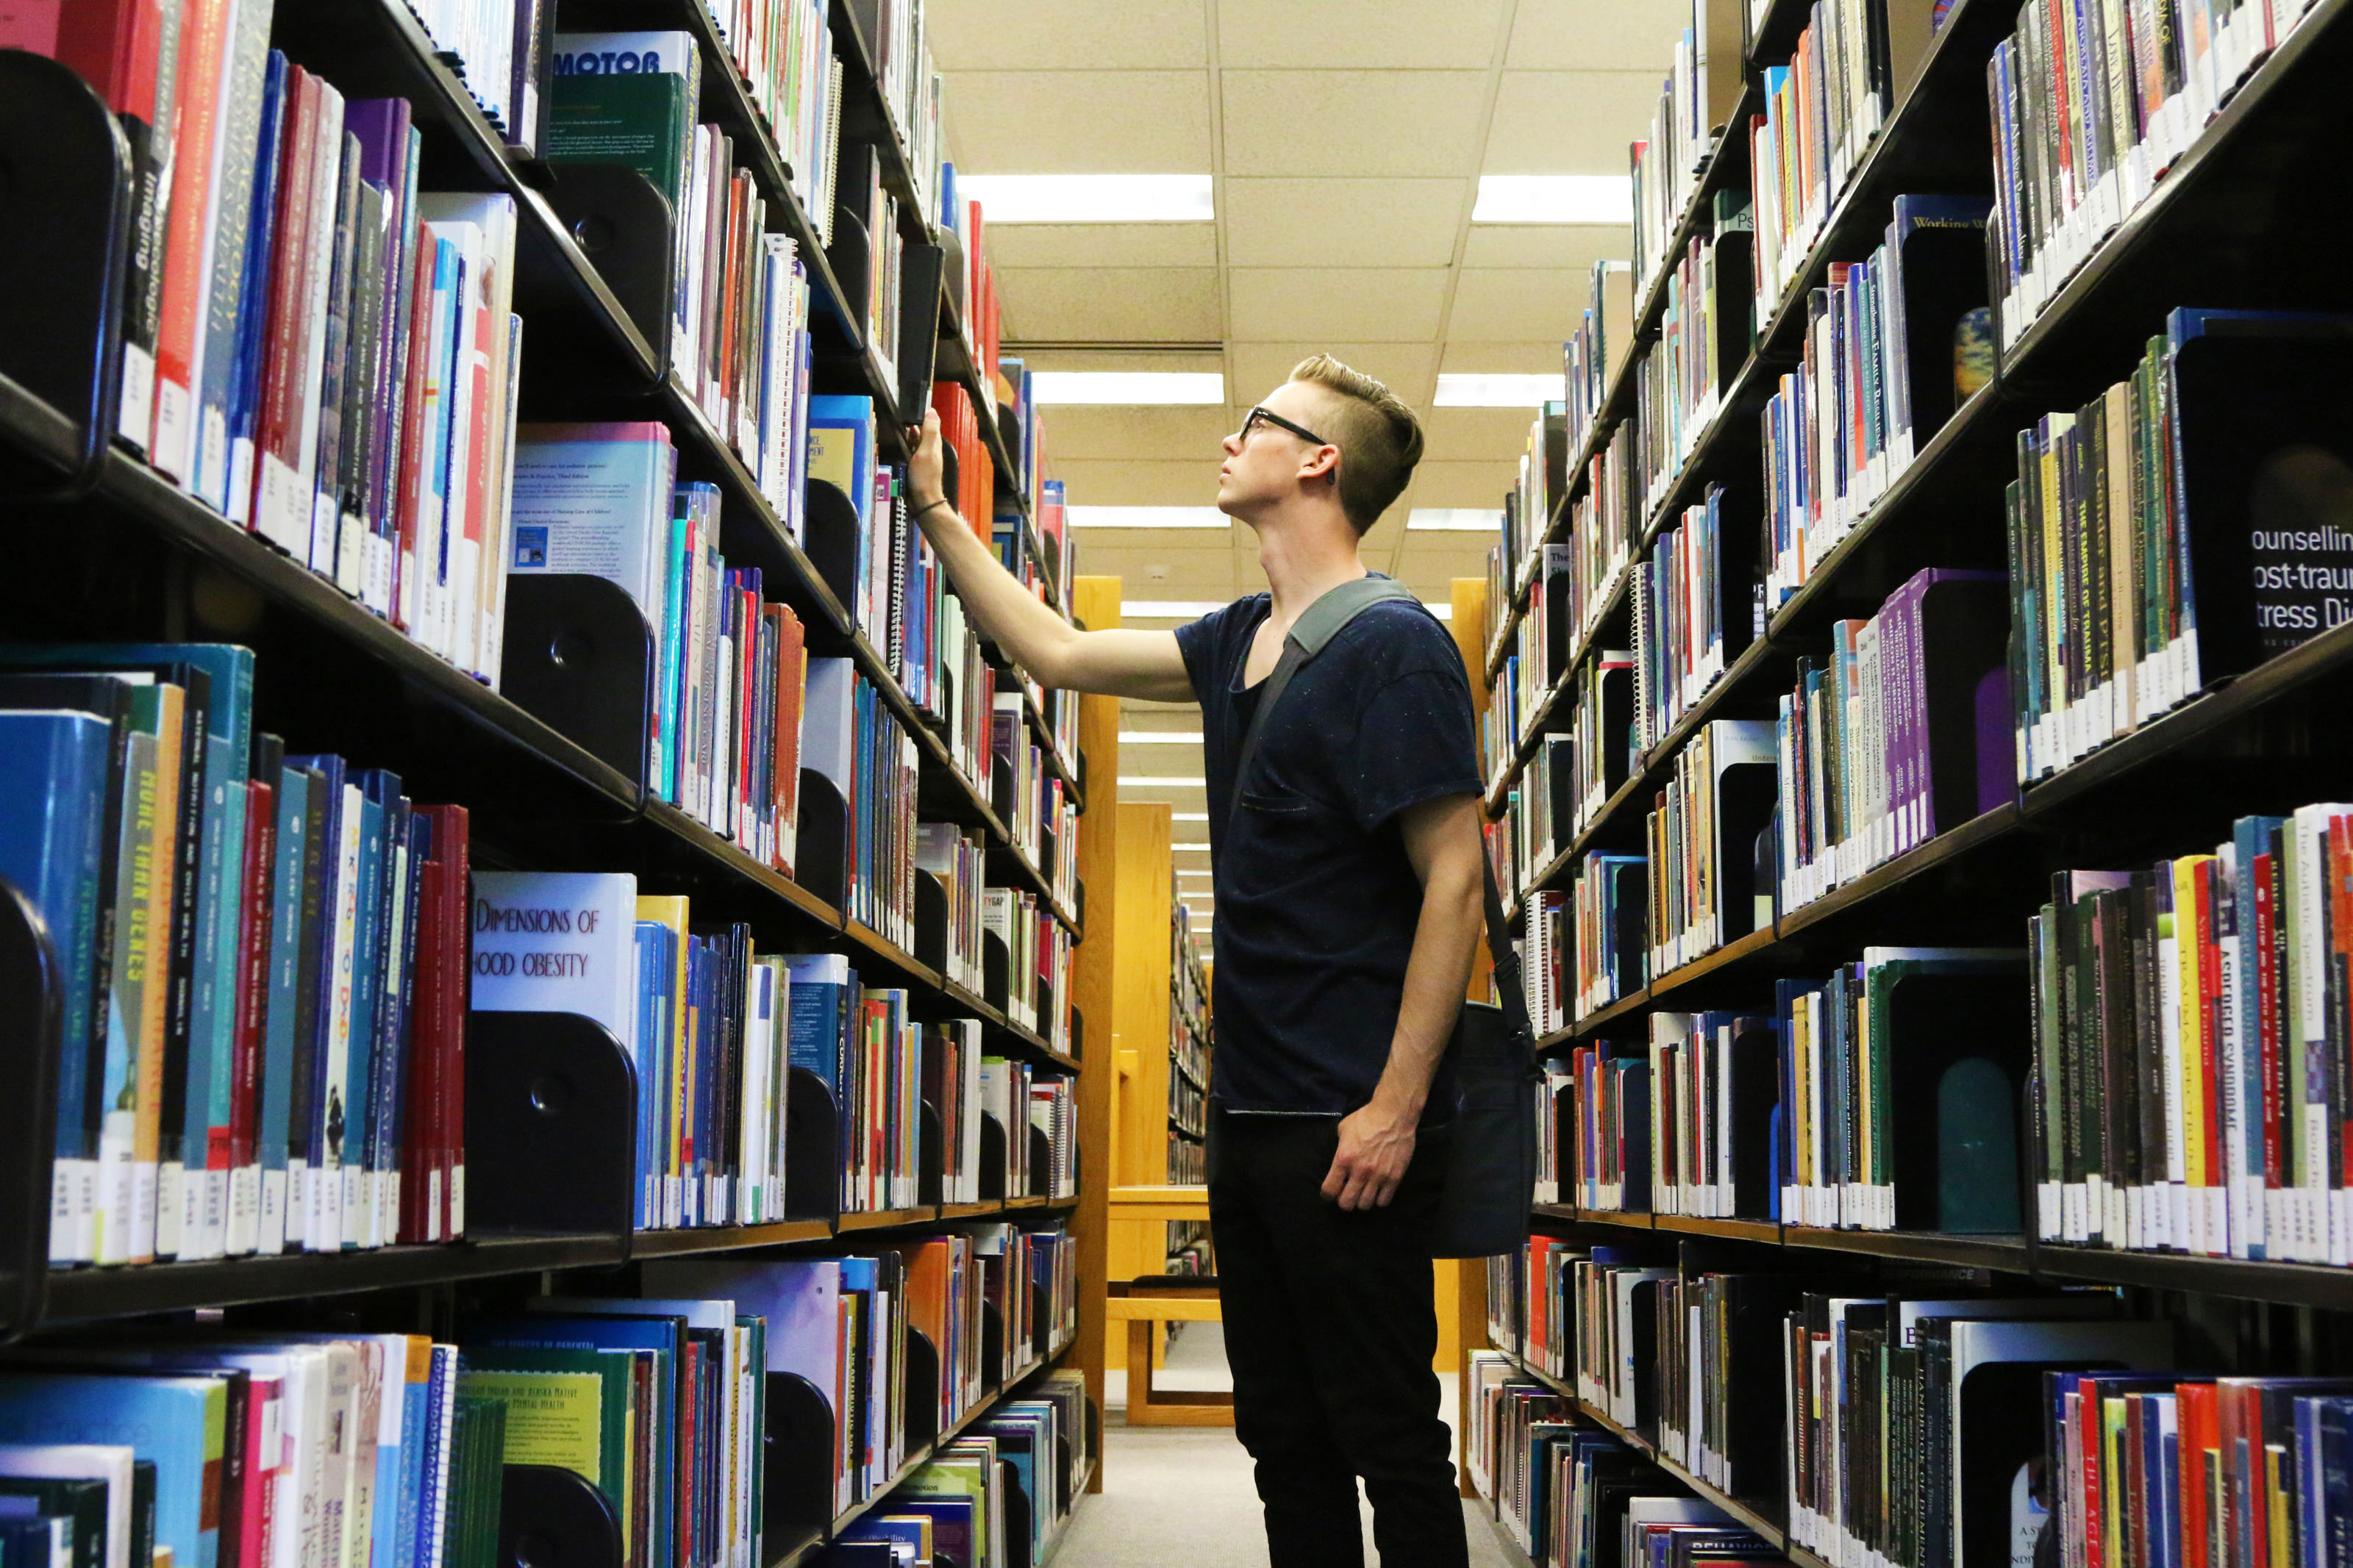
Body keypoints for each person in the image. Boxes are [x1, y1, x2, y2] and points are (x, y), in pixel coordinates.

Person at [907, 354, 1485, 1567]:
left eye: (1257, 423)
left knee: (1387, 1428)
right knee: (1281, 1430)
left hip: (1349, 1122)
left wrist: (1393, 1106)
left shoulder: (1397, 647)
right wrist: (937, 514)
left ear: (1317, 462)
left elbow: (1456, 876)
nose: (1231, 438)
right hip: (1247, 1114)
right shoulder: (1234, 642)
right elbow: (1058, 653)